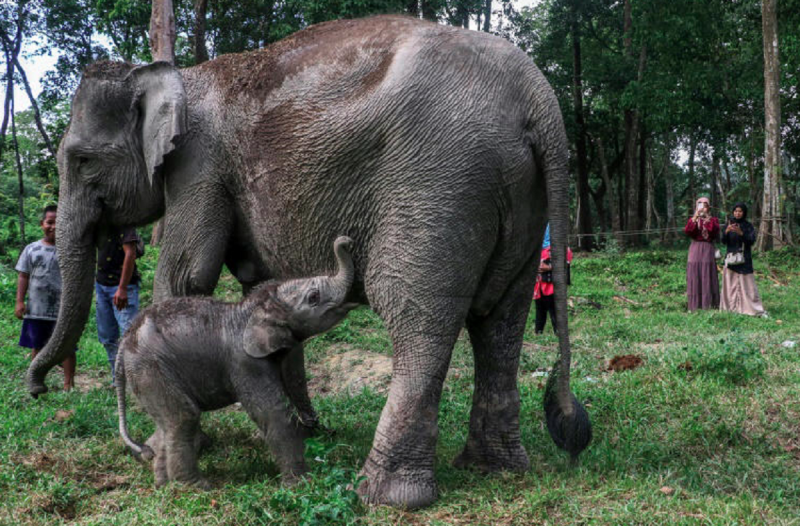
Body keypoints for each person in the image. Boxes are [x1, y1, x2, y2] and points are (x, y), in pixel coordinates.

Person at [15, 205, 76, 391]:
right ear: (42, 224)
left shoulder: (71, 250)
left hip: (62, 310)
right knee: (38, 346)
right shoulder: (32, 249)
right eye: (50, 222)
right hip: (36, 309)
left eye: (59, 222)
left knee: (67, 348)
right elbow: (23, 275)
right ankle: (36, 380)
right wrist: (19, 301)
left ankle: (68, 383)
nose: (54, 226)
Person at [95, 227, 141, 380]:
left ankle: (134, 378)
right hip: (101, 286)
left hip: (123, 287)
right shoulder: (100, 224)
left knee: (129, 334)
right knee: (107, 335)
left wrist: (122, 288)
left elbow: (130, 253)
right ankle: (118, 377)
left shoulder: (124, 224)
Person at [720, 203, 766, 317]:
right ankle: (730, 307)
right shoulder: (729, 224)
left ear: (744, 212)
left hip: (744, 259)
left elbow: (751, 241)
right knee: (730, 284)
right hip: (731, 259)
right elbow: (723, 241)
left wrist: (741, 233)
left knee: (748, 284)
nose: (737, 213)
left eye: (740, 211)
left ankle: (751, 308)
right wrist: (726, 232)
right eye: (735, 211)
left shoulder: (748, 226)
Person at [534, 224, 572, 334]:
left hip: (552, 286)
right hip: (539, 286)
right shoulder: (537, 249)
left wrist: (549, 267)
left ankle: (558, 332)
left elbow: (566, 262)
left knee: (554, 310)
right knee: (540, 311)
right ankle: (538, 332)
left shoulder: (560, 248)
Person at [684, 196, 720, 312]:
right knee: (695, 273)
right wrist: (696, 216)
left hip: (707, 248)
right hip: (695, 248)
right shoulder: (693, 219)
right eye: (700, 204)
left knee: (707, 273)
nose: (702, 207)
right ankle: (694, 305)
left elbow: (713, 232)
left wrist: (706, 219)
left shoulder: (713, 220)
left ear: (708, 207)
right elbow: (688, 231)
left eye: (705, 205)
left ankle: (709, 304)